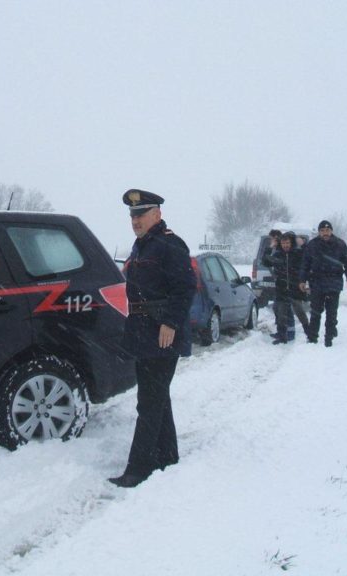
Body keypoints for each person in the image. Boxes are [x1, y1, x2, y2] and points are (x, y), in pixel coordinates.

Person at [109, 189, 197, 488]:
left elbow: (185, 287)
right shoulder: (142, 246)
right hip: (143, 331)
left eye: (141, 214)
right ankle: (167, 456)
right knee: (157, 397)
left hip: (162, 332)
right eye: (132, 215)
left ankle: (139, 468)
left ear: (157, 214)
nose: (135, 220)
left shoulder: (170, 245)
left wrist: (171, 323)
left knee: (148, 401)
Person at [299, 220, 347, 347]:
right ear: (319, 232)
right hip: (317, 283)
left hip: (334, 283)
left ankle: (329, 339)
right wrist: (302, 280)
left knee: (331, 313)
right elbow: (305, 264)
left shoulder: (340, 244)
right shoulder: (312, 245)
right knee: (315, 312)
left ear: (331, 231)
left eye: (327, 230)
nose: (325, 233)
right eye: (322, 231)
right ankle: (312, 338)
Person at [271, 231, 309, 344]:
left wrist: (303, 243)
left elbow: (309, 255)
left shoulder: (297, 253)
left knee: (299, 311)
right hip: (281, 287)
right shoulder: (277, 254)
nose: (285, 245)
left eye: (287, 243)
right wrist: (270, 247)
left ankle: (309, 333)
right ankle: (282, 337)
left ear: (291, 243)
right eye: (283, 243)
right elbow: (266, 261)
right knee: (281, 313)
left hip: (295, 287)